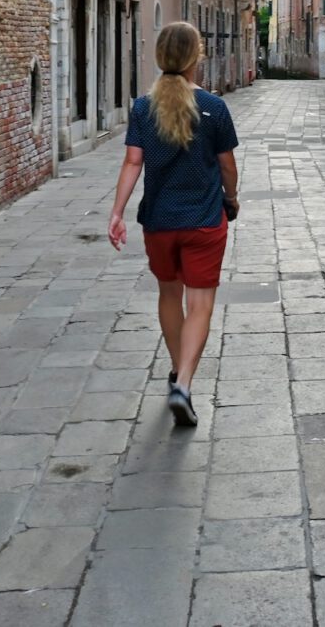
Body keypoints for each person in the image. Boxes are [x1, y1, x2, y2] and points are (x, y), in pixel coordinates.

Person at [108, 21, 239, 427]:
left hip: (159, 221)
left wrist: (117, 212)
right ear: (196, 56)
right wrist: (231, 198)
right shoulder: (214, 107)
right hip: (204, 220)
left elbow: (133, 162)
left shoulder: (142, 108)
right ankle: (183, 382)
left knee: (169, 294)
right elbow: (227, 165)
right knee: (200, 303)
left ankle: (176, 369)